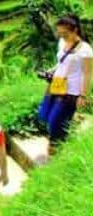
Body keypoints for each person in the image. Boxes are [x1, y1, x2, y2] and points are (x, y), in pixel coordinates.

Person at [38, 14, 93, 153]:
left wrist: (83, 95)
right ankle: (63, 135)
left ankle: (55, 151)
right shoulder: (62, 43)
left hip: (71, 92)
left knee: (56, 123)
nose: (62, 36)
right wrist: (50, 71)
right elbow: (61, 62)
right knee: (45, 115)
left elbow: (87, 74)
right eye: (60, 33)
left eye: (65, 34)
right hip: (56, 85)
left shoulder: (85, 50)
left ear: (75, 30)